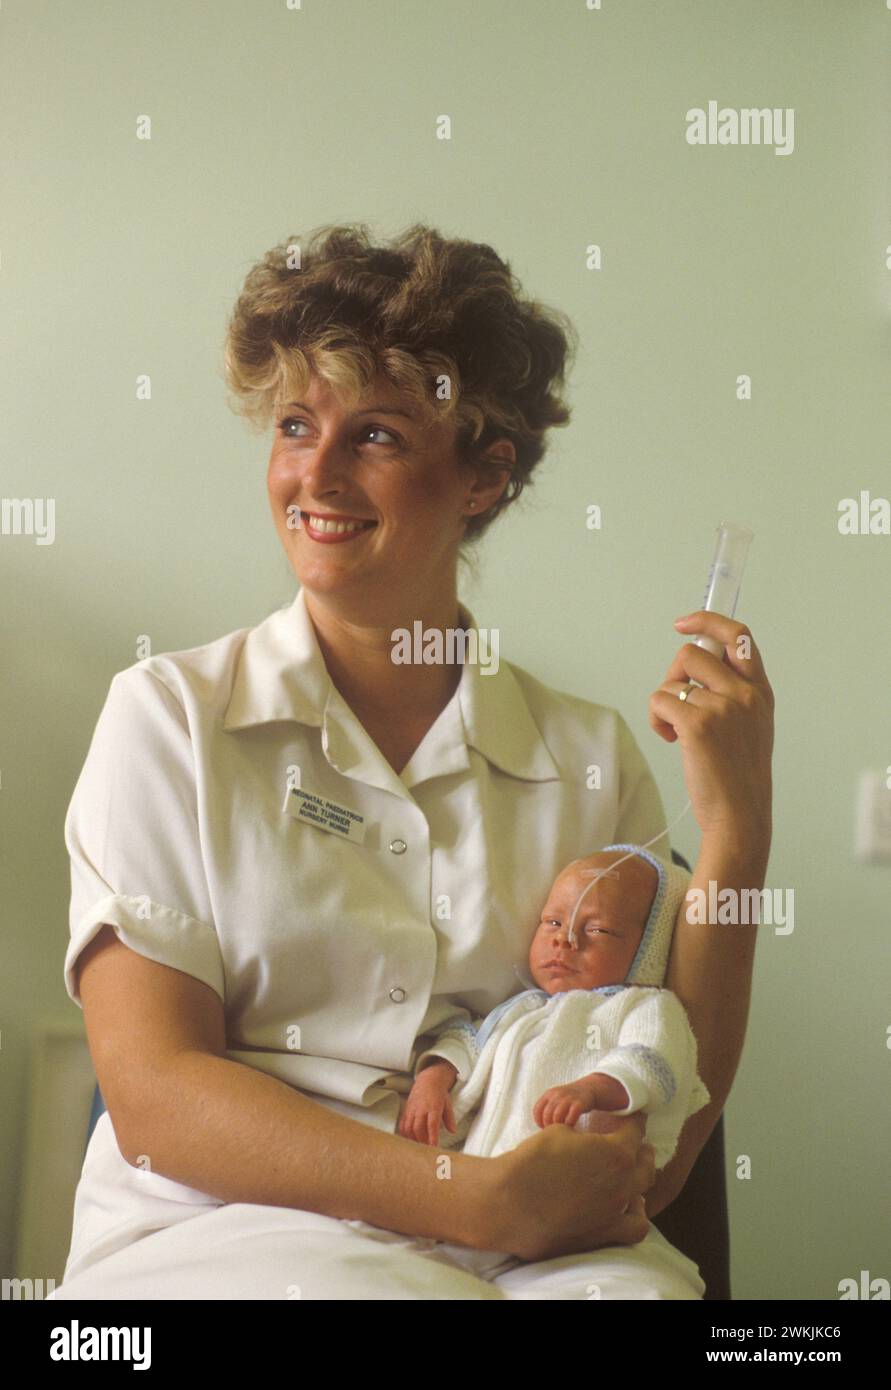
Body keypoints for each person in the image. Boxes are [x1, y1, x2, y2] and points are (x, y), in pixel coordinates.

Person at [50, 223, 774, 1301]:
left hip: (538, 1256)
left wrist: (738, 833)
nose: (315, 474)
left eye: (377, 435)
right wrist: (472, 1196)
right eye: (296, 424)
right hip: (229, 1238)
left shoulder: (584, 755)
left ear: (485, 476)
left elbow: (657, 1114)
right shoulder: (168, 719)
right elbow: (154, 1093)